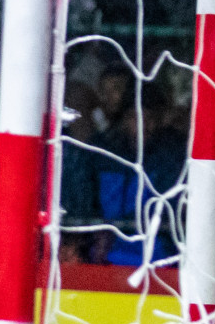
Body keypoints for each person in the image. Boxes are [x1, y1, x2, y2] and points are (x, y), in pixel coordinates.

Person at [61, 83, 186, 266]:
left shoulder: (173, 157)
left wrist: (112, 229)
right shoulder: (101, 153)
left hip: (160, 265)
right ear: (124, 119)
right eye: (135, 117)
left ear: (160, 120)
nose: (143, 126)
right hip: (102, 261)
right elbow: (84, 201)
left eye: (149, 117)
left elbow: (168, 209)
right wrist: (92, 235)